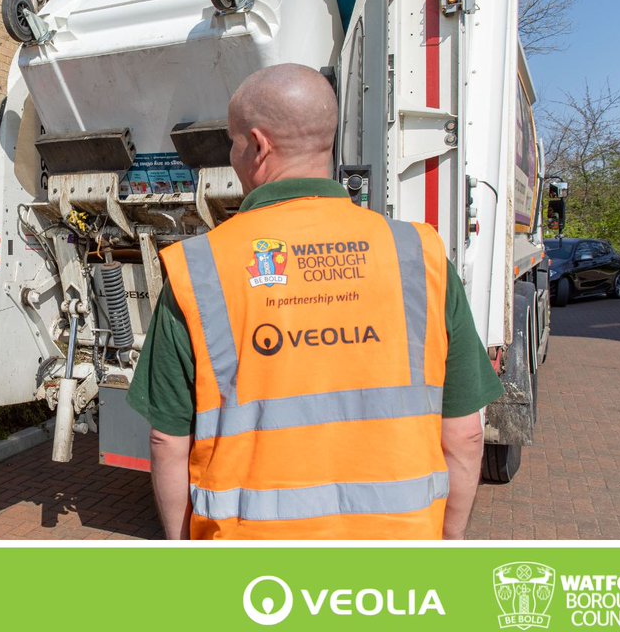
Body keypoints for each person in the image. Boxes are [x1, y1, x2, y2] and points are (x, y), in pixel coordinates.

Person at [126, 64, 502, 540]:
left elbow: (167, 443)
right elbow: (465, 435)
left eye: (233, 143)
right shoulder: (418, 255)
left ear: (258, 146)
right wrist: (448, 541)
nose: (233, 155)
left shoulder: (198, 269)